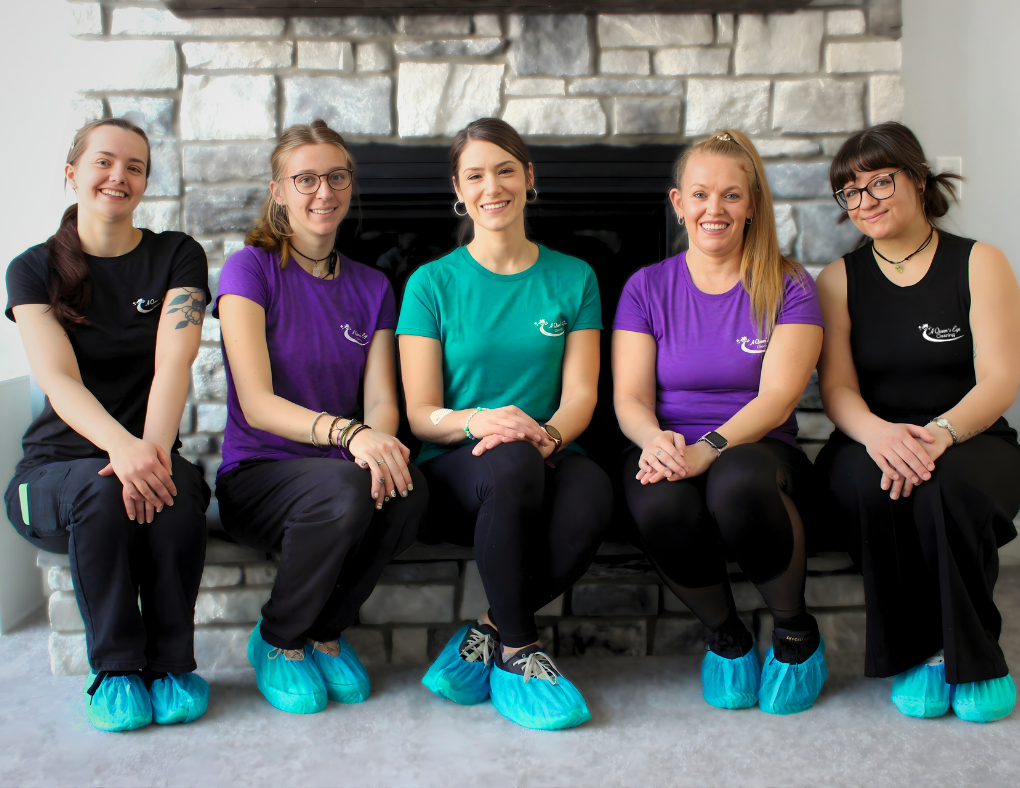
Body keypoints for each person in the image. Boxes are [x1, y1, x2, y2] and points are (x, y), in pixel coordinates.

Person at [398, 118, 610, 731]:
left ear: (529, 178)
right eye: (475, 175)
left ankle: (488, 632)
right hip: (458, 462)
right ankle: (520, 650)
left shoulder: (575, 278)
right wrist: (485, 422)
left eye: (505, 170)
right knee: (510, 460)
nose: (492, 187)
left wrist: (544, 434)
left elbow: (580, 395)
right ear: (458, 191)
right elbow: (421, 413)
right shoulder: (431, 283)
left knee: (595, 490)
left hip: (548, 445)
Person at [3, 118, 211, 732]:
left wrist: (148, 455)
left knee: (179, 494)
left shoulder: (177, 254)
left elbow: (176, 361)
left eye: (135, 166)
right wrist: (123, 451)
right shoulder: (31, 269)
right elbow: (59, 378)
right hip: (54, 475)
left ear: (145, 183)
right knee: (101, 487)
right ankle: (117, 670)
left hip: (147, 454)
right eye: (103, 161)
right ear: (72, 174)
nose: (118, 175)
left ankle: (172, 666)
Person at [214, 121, 427, 715]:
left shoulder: (372, 285)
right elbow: (256, 401)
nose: (323, 192)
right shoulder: (249, 270)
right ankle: (279, 639)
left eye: (336, 177)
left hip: (342, 473)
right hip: (260, 475)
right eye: (305, 179)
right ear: (279, 190)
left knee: (409, 490)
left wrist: (381, 444)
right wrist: (349, 434)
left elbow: (381, 396)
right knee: (343, 485)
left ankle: (326, 631)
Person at [613, 129, 828, 715]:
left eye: (732, 195)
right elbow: (630, 397)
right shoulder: (646, 287)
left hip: (760, 449)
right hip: (669, 443)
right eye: (701, 195)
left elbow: (780, 398)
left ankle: (793, 633)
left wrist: (709, 447)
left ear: (752, 204)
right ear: (678, 202)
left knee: (737, 479)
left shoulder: (789, 285)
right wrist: (655, 440)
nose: (716, 209)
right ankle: (727, 637)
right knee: (654, 498)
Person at [815, 122, 1020, 723]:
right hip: (869, 433)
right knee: (870, 482)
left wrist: (938, 436)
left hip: (970, 431)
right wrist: (881, 436)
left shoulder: (980, 262)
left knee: (947, 487)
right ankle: (921, 653)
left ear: (919, 177)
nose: (865, 201)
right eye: (850, 192)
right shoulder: (837, 279)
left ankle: (976, 657)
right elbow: (838, 388)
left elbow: (1001, 380)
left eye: (880, 181)